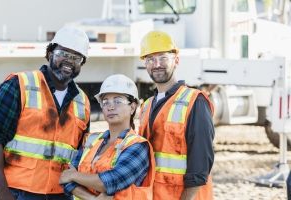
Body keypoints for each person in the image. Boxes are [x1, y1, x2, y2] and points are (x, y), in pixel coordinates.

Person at [0, 26, 91, 200]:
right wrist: (2, 192)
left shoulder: (82, 101)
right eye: (63, 53)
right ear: (50, 53)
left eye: (76, 57)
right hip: (18, 193)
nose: (69, 61)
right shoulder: (20, 84)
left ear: (82, 63)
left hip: (61, 194)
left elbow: (80, 154)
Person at [138, 30, 215, 200]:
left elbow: (201, 162)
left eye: (163, 58)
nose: (156, 64)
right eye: (150, 59)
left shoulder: (195, 101)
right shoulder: (146, 106)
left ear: (176, 60)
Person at [59, 74, 155, 200]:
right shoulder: (91, 141)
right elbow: (66, 181)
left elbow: (111, 182)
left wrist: (74, 176)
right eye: (105, 102)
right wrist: (92, 198)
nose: (111, 106)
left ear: (132, 107)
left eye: (118, 101)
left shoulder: (138, 146)